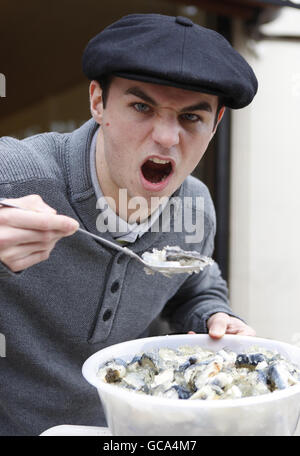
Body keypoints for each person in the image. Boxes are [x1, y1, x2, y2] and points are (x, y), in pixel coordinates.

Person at [0, 14, 257, 435]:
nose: (167, 138)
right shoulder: (15, 175)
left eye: (192, 118)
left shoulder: (196, 207)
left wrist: (214, 314)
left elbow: (195, 283)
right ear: (98, 101)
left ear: (216, 123)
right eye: (141, 107)